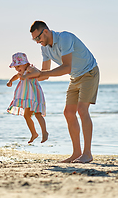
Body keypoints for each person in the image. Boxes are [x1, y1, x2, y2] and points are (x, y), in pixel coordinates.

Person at [29, 21, 99, 163]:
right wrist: (27, 75)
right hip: (75, 77)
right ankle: (76, 153)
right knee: (68, 112)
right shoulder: (45, 49)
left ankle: (87, 154)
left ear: (46, 32)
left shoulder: (64, 38)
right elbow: (46, 75)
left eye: (38, 38)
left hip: (89, 72)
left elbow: (66, 67)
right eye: (34, 39)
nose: (37, 42)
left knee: (82, 109)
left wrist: (40, 73)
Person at [7, 52, 48, 144]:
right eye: (16, 67)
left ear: (25, 63)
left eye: (18, 66)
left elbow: (37, 72)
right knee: (26, 115)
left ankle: (44, 132)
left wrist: (26, 76)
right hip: (28, 97)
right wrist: (10, 81)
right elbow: (16, 76)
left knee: (38, 114)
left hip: (35, 95)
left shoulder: (30, 68)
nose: (17, 69)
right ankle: (34, 133)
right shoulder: (21, 73)